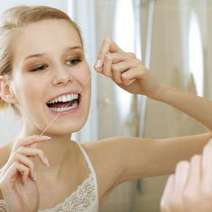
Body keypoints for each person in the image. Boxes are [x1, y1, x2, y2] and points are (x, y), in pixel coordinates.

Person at [0, 5, 211, 212]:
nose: (64, 77)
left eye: (73, 60)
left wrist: (159, 90)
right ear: (7, 89)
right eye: (39, 67)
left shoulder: (109, 160)